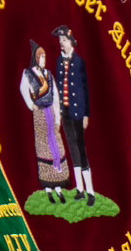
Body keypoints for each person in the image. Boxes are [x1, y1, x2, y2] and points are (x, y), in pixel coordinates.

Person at [19, 40, 68, 205]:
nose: (44, 60)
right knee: (43, 145)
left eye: (45, 57)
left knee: (57, 145)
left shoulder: (48, 75)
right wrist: (30, 104)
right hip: (40, 114)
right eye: (41, 57)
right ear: (36, 58)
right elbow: (23, 88)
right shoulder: (29, 74)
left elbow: (55, 96)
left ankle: (59, 186)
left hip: (51, 112)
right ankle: (48, 187)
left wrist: (58, 118)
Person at [52, 25, 94, 206]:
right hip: (66, 112)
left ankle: (90, 191)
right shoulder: (58, 62)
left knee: (81, 149)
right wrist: (59, 112)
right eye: (59, 41)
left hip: (78, 112)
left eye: (63, 40)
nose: (61, 43)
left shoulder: (79, 62)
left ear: (70, 41)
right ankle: (80, 189)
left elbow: (85, 89)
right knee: (72, 149)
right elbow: (59, 88)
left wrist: (86, 114)